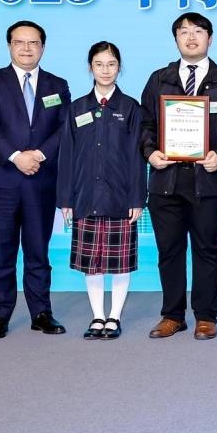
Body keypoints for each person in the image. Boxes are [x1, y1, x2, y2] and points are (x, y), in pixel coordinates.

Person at [140, 13, 217, 341]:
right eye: (184, 32)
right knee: (169, 249)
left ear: (210, 38)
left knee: (206, 247)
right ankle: (172, 315)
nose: (191, 37)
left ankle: (206, 316)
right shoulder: (159, 79)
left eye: (198, 31)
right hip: (166, 178)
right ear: (176, 39)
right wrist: (150, 152)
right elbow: (145, 124)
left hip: (207, 178)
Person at [0, 20, 71, 339]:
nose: (26, 48)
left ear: (43, 47)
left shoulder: (58, 85)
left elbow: (65, 128)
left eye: (33, 43)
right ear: (9, 46)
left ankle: (41, 313)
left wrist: (39, 155)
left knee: (38, 251)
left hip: (41, 180)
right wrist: (17, 157)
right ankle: (0, 315)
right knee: (2, 252)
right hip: (2, 178)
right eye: (19, 42)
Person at [57, 41, 145, 340]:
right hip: (84, 196)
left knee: (120, 263)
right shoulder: (77, 108)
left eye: (111, 64)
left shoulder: (130, 108)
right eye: (99, 64)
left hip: (121, 196)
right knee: (91, 263)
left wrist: (137, 198)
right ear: (90, 68)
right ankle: (97, 316)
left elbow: (137, 157)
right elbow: (66, 155)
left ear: (119, 67)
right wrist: (66, 198)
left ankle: (114, 317)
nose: (105, 70)